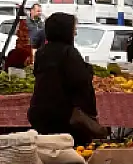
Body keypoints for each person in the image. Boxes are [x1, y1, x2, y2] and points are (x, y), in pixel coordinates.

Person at [28, 12, 103, 146]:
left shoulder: (41, 52)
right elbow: (80, 82)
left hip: (40, 112)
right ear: (65, 31)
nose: (75, 33)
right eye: (73, 29)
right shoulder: (69, 53)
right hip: (64, 117)